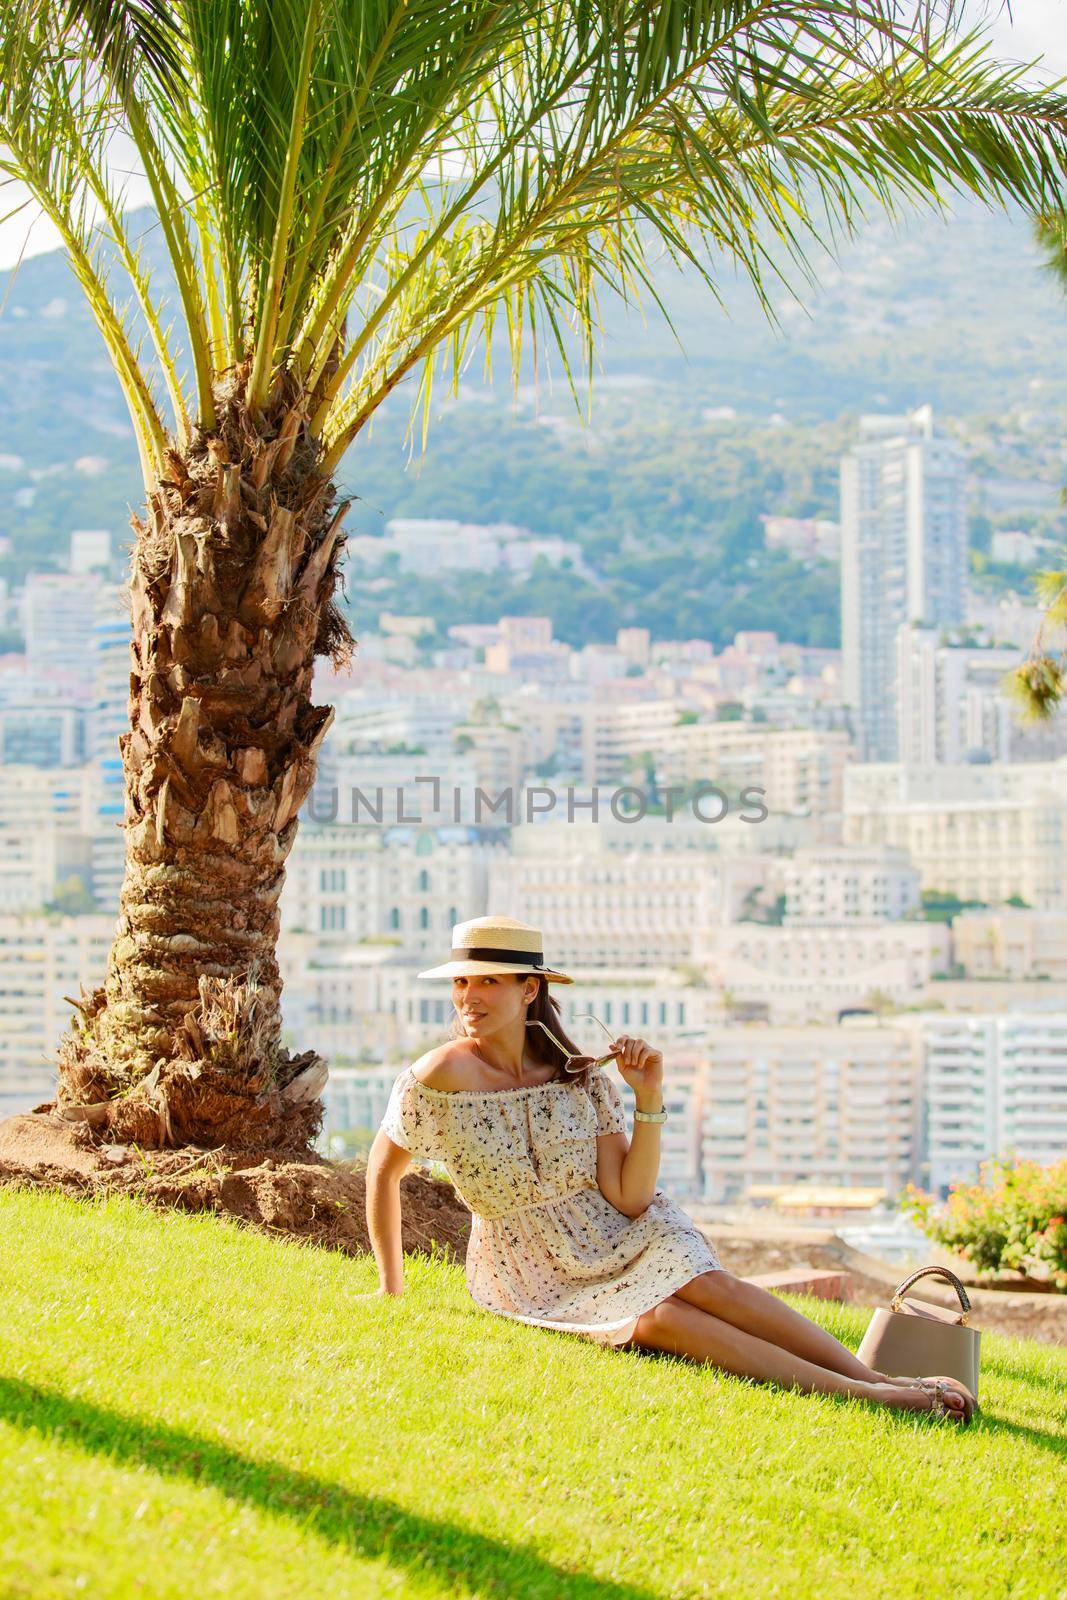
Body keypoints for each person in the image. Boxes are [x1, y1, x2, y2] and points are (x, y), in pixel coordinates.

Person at [364, 916, 978, 1425]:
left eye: (488, 982)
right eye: (463, 983)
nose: (469, 998)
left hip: (616, 1231)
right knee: (660, 1318)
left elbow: (629, 1199)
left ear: (530, 989)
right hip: (527, 1269)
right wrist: (392, 1288)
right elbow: (383, 1173)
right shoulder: (436, 1078)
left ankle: (875, 1375)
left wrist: (648, 1097)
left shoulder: (579, 1077)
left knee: (708, 1285)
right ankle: (869, 1396)